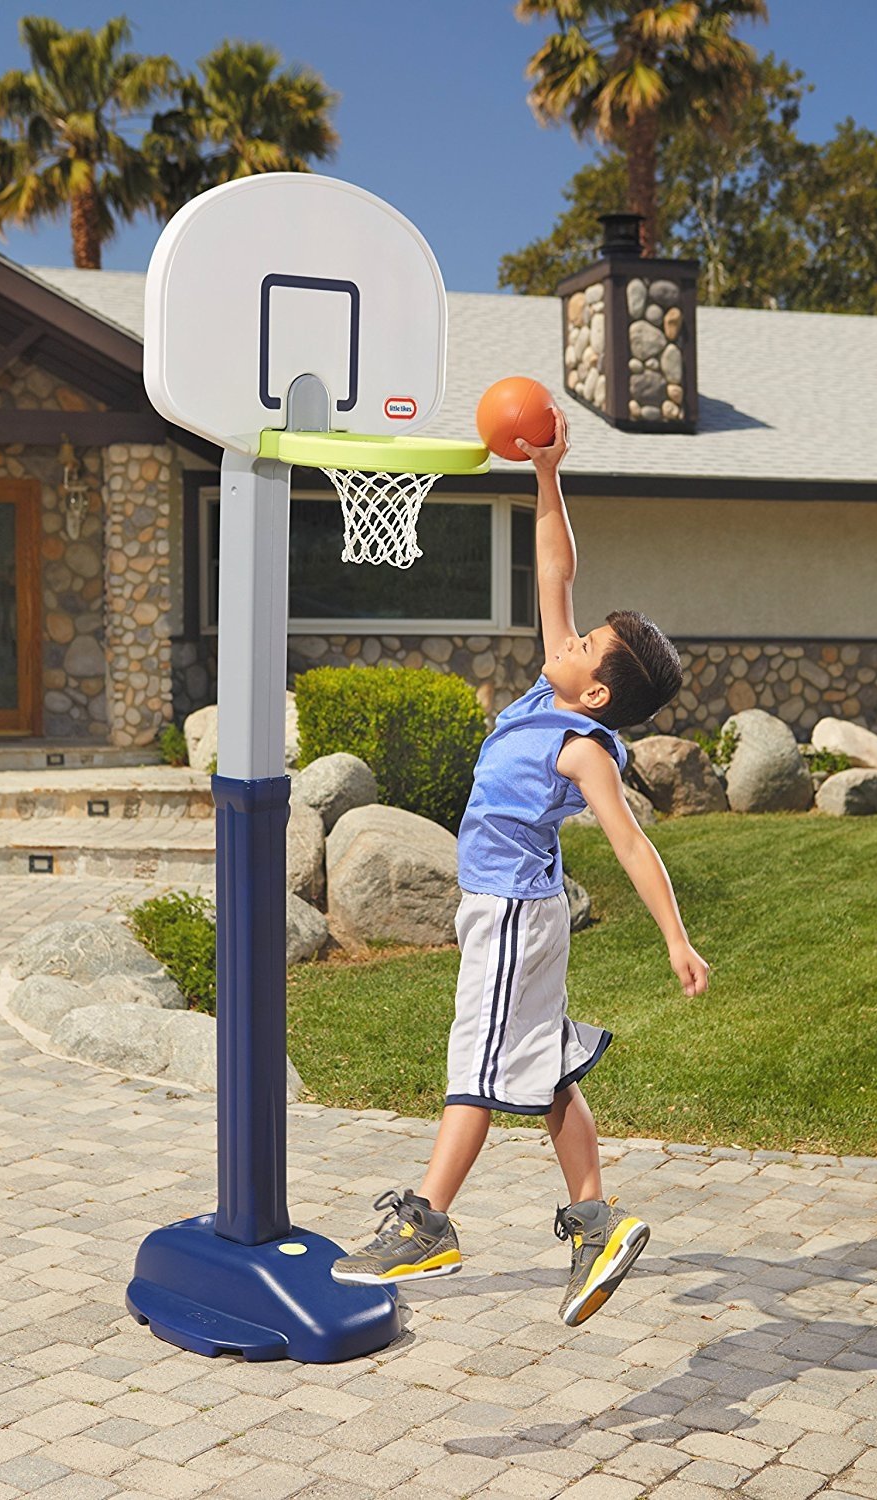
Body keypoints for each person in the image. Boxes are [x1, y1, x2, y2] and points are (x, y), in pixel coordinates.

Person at [332, 408, 710, 1326]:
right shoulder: (555, 687)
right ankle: (596, 1222)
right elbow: (556, 568)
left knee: (478, 1062)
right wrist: (547, 477)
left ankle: (429, 1224)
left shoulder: (580, 745)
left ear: (599, 693)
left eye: (583, 645)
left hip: (511, 915)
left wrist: (675, 938)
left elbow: (630, 844)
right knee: (539, 1071)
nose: (567, 638)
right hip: (508, 909)